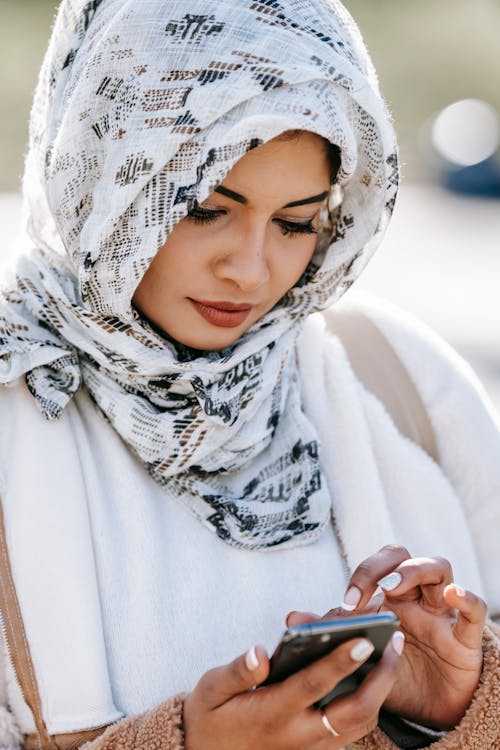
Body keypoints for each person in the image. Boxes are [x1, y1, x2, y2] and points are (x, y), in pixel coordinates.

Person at [0, 1, 499, 749]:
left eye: (297, 222)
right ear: (105, 172)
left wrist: (457, 704)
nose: (252, 269)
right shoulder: (17, 405)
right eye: (204, 208)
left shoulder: (402, 380)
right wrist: (185, 743)